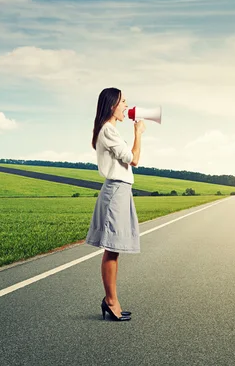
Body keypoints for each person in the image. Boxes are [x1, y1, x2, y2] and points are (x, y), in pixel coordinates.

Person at [86, 87, 146, 322]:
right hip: (116, 192)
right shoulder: (108, 131)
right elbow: (135, 159)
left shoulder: (110, 131)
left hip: (121, 191)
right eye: (123, 102)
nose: (126, 106)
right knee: (112, 248)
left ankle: (111, 300)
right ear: (112, 105)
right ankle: (111, 301)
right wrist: (138, 133)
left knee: (115, 248)